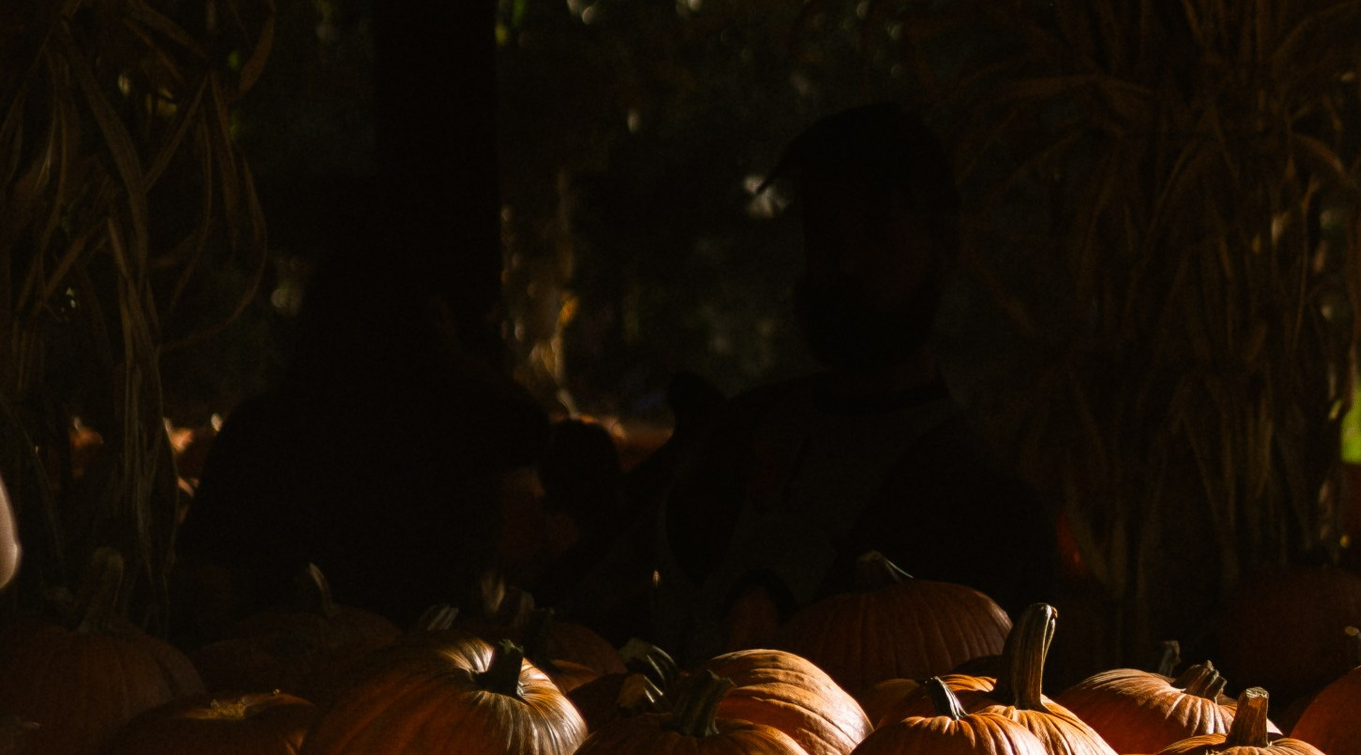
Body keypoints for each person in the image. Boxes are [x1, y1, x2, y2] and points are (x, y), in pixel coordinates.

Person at [592, 103, 1056, 655]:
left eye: (877, 232)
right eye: (823, 231)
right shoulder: (738, 436)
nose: (846, 263)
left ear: (942, 246)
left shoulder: (986, 507)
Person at [174, 188, 551, 633]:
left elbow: (208, 571)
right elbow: (530, 429)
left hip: (302, 665)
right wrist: (453, 355)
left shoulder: (262, 430)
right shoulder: (446, 437)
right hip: (422, 669)